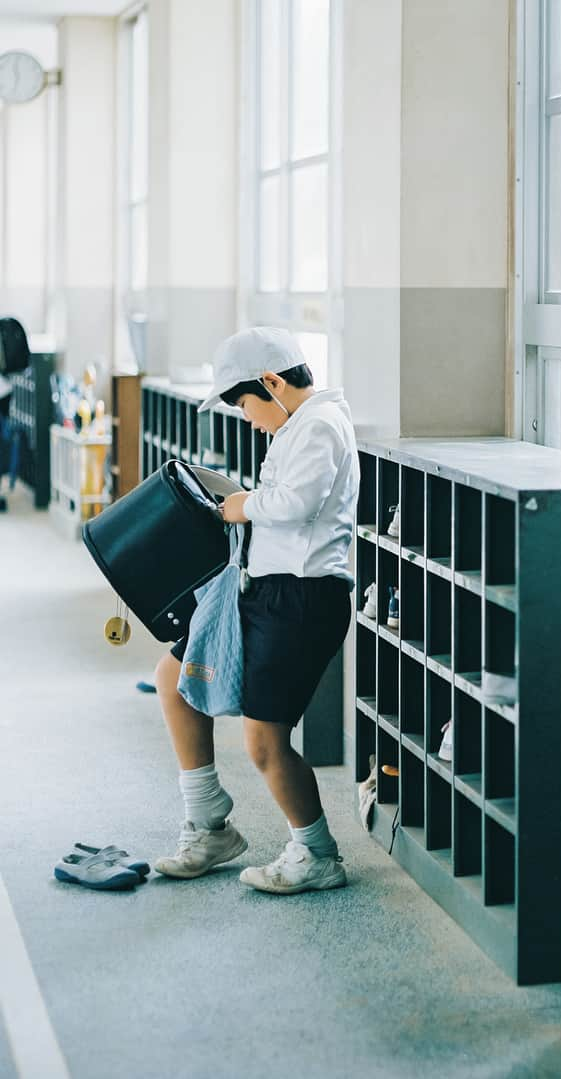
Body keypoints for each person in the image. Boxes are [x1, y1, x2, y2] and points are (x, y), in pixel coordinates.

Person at [152, 326, 359, 895]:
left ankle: (317, 854)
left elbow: (296, 503)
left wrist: (241, 505)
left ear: (272, 382)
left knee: (265, 745)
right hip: (264, 591)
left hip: (301, 601)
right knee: (174, 676)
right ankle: (208, 822)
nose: (247, 417)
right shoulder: (297, 426)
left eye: (245, 404)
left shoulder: (320, 425)